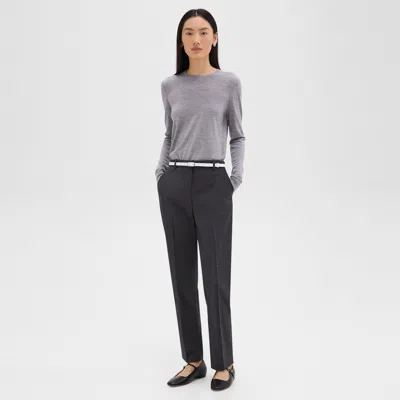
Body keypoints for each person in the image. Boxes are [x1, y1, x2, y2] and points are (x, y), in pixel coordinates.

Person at [155, 8, 245, 392]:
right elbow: (169, 133)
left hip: (213, 182)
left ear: (215, 38)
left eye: (203, 32)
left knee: (215, 277)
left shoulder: (228, 83)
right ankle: (194, 359)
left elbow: (237, 135)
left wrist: (233, 180)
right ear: (181, 40)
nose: (196, 39)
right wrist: (161, 175)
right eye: (189, 32)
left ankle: (224, 362)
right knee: (182, 277)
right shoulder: (170, 85)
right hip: (175, 181)